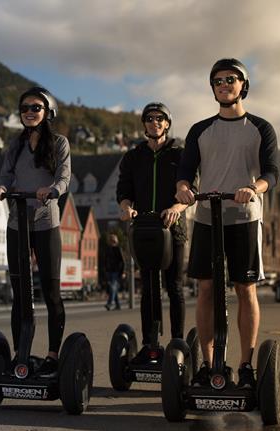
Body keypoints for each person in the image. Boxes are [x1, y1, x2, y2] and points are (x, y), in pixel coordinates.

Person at [176, 58, 279, 389]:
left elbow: (271, 172)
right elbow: (185, 174)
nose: (224, 84)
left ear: (243, 85)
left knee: (244, 288)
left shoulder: (260, 128)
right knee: (205, 288)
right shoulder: (199, 130)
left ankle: (246, 365)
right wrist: (184, 189)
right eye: (218, 80)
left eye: (231, 79)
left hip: (244, 217)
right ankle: (208, 366)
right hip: (207, 216)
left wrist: (254, 188)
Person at [0, 87, 71, 378]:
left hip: (47, 222)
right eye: (25, 108)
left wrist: (53, 190)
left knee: (50, 292)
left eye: (36, 108)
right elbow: (6, 175)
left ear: (48, 112)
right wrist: (0, 187)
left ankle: (52, 355)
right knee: (20, 293)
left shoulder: (59, 143)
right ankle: (20, 355)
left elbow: (63, 176)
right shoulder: (16, 145)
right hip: (18, 222)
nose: (29, 112)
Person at [116, 102, 188, 363]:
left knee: (174, 286)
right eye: (149, 118)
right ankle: (150, 344)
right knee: (148, 287)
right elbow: (124, 191)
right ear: (144, 124)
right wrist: (127, 209)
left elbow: (190, 191)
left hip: (172, 229)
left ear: (167, 123)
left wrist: (175, 208)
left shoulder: (180, 155)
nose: (154, 122)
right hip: (145, 230)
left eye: (160, 118)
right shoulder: (134, 156)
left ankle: (177, 343)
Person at [103, 234, 124, 311]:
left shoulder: (118, 249)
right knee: (113, 288)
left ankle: (109, 303)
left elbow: (122, 261)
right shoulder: (108, 249)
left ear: (116, 241)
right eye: (111, 241)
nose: (112, 242)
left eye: (114, 241)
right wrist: (105, 269)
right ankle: (118, 305)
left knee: (113, 288)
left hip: (116, 271)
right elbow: (105, 260)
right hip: (109, 271)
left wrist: (121, 272)